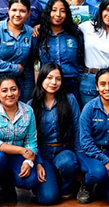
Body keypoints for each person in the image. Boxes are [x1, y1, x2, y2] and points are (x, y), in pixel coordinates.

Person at [0, 76, 57, 207]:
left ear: (19, 92)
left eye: (13, 89)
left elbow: (31, 141)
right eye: (4, 91)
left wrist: (29, 162)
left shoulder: (28, 111)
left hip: (17, 158)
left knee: (30, 180)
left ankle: (7, 183)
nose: (9, 94)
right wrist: (21, 151)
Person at [76, 69, 109, 206]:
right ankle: (86, 183)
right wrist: (105, 160)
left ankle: (104, 183)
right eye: (103, 84)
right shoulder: (89, 108)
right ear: (97, 87)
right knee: (98, 173)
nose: (107, 88)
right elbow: (86, 141)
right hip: (91, 153)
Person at [29, 63, 82, 199]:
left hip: (65, 150)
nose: (53, 82)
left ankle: (66, 187)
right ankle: (51, 183)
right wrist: (38, 162)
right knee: (48, 198)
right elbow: (30, 140)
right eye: (49, 78)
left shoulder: (70, 99)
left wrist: (81, 160)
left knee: (67, 163)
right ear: (41, 79)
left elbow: (78, 129)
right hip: (44, 154)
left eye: (58, 79)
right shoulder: (31, 105)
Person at [37, 0, 86, 106]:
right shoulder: (39, 35)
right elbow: (34, 61)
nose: (58, 14)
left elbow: (81, 60)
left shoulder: (75, 34)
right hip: (47, 84)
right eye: (54, 10)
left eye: (62, 11)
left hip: (71, 83)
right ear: (48, 12)